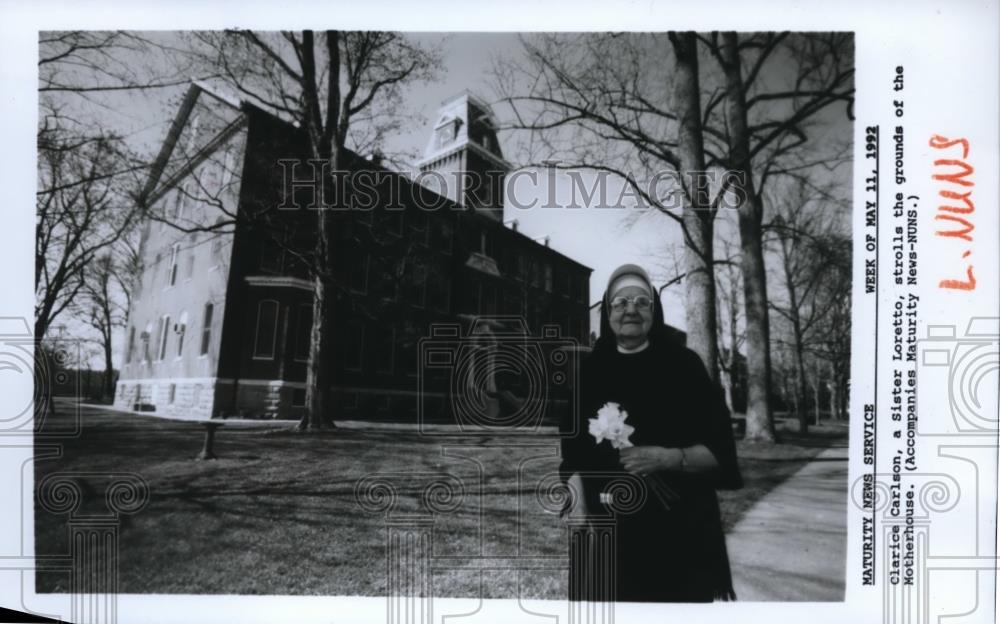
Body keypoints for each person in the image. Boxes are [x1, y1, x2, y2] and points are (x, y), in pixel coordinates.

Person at [559, 263, 743, 603]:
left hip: (676, 533)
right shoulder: (590, 369)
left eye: (642, 301)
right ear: (607, 311)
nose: (631, 309)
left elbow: (721, 452)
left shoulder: (684, 365)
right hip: (605, 529)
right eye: (620, 302)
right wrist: (577, 496)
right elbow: (572, 452)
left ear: (654, 311)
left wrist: (670, 458)